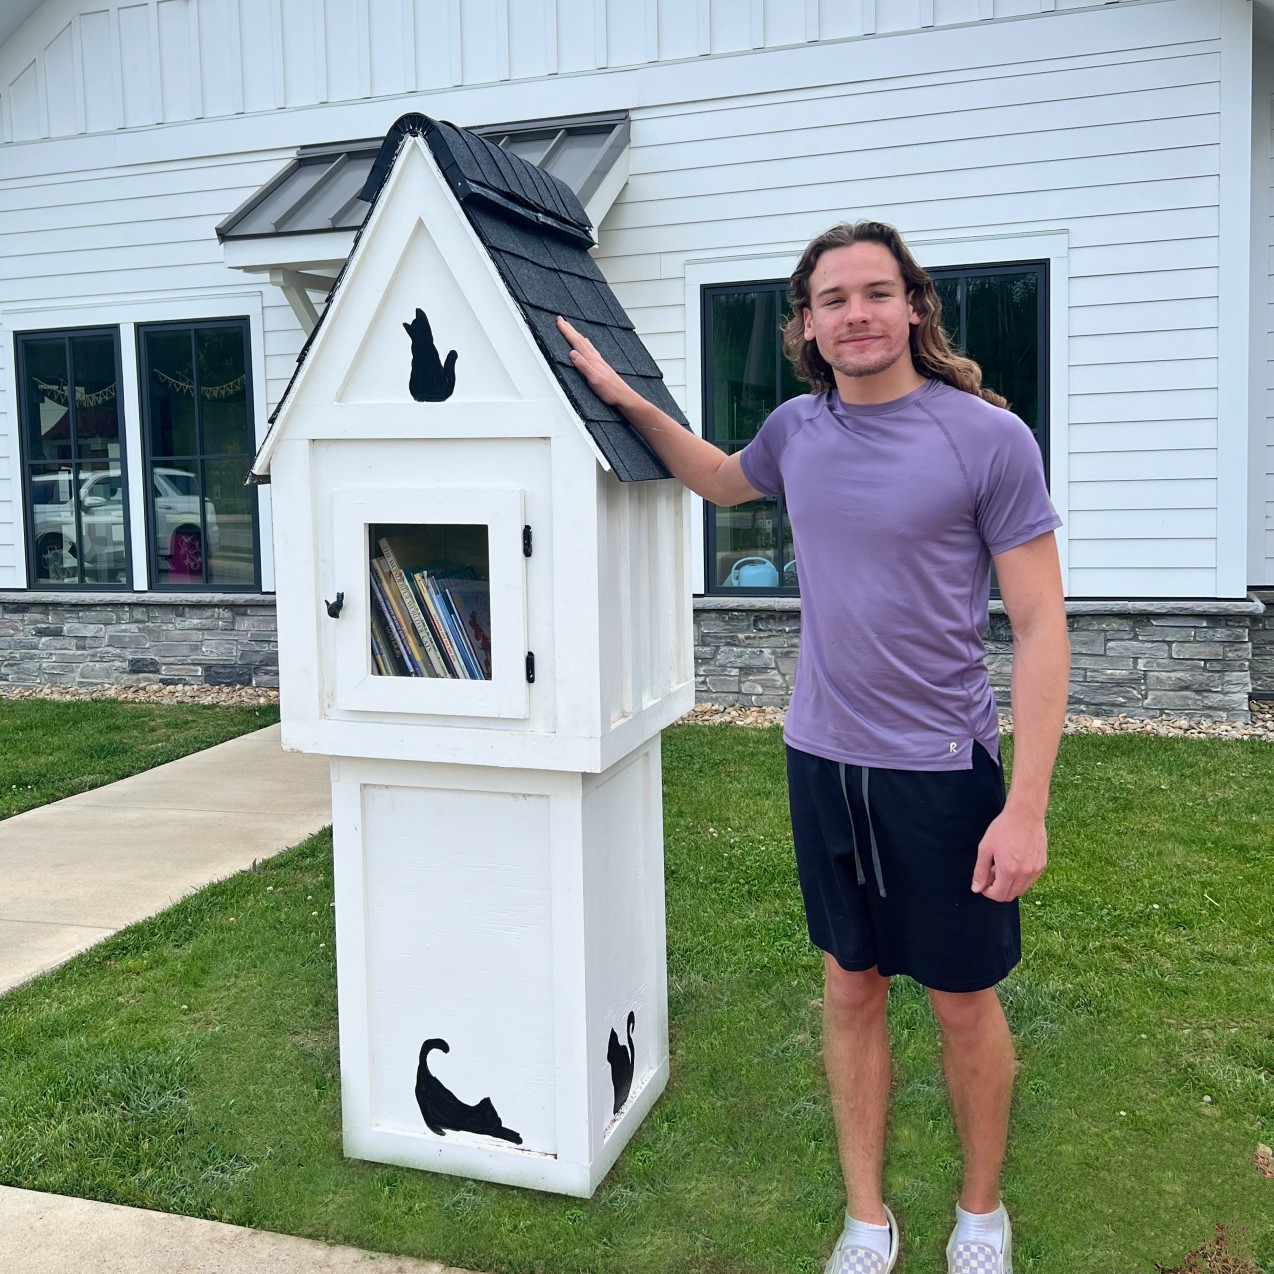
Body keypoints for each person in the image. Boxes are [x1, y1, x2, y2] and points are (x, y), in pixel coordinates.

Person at [557, 219, 1069, 1274]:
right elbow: (713, 476)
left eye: (875, 292)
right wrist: (620, 395)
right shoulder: (796, 431)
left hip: (942, 772)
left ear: (915, 305)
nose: (855, 314)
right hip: (822, 760)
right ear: (806, 323)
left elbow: (1041, 627)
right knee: (850, 985)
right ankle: (865, 1216)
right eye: (831, 299)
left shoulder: (984, 438)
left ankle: (978, 1214)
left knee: (960, 999)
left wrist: (1024, 805)